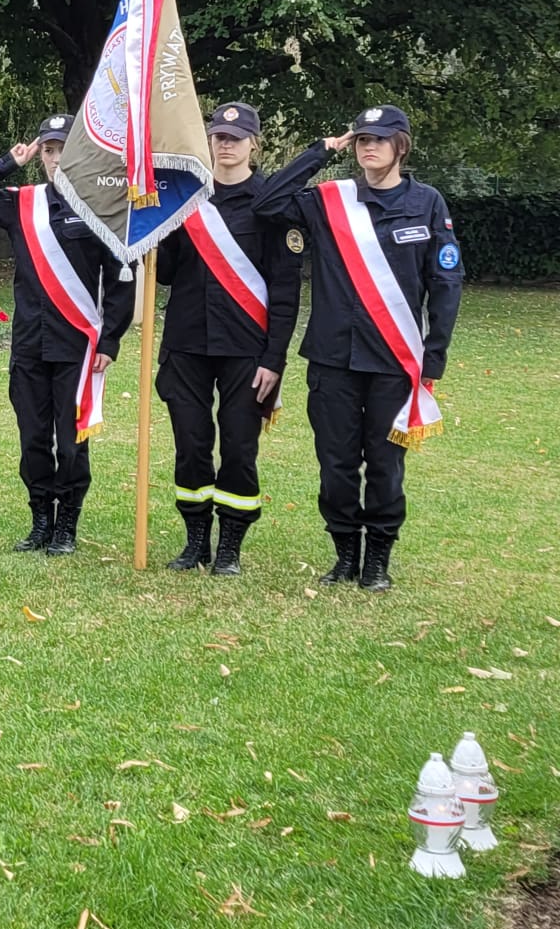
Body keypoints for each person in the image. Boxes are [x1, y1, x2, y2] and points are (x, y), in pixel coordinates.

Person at [255, 105, 463, 592]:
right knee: (336, 463)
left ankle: (378, 560)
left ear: (401, 146)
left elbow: (445, 282)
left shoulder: (427, 202)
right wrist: (321, 151)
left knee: (386, 465)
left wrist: (433, 357)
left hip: (394, 361)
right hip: (333, 358)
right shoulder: (331, 199)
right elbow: (267, 203)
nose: (369, 147)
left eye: (380, 139)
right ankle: (346, 553)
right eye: (363, 139)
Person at [0, 113, 136, 555]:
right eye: (49, 151)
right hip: (30, 345)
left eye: (63, 149)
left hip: (77, 346)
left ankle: (66, 525)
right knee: (33, 439)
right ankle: (40, 521)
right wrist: (9, 162)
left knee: (71, 444)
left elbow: (121, 280)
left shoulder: (102, 209)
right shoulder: (24, 204)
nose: (55, 158)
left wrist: (110, 340)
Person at [152, 102, 302, 575]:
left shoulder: (273, 205)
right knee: (191, 444)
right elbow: (167, 274)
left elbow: (285, 290)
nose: (226, 144)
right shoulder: (187, 200)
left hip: (246, 350)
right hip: (187, 344)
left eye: (236, 138)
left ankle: (230, 546)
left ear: (254, 144)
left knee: (239, 448)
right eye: (219, 136)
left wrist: (274, 359)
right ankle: (196, 539)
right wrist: (153, 230)